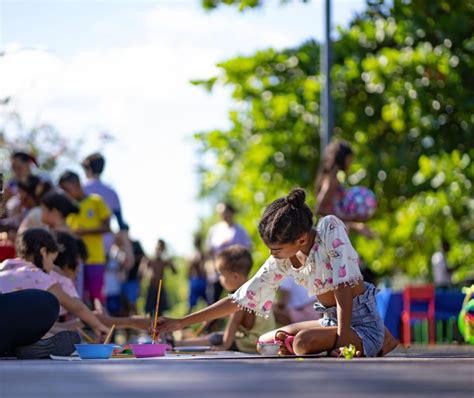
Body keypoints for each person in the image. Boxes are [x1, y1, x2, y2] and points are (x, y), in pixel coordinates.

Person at [156, 188, 398, 357]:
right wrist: (180, 322)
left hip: (359, 322)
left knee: (302, 343)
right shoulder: (283, 259)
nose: (273, 254)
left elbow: (344, 289)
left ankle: (376, 340)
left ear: (301, 238)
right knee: (265, 343)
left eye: (276, 249)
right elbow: (239, 299)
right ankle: (318, 341)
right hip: (329, 320)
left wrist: (342, 345)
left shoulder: (329, 228)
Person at [0, 228, 109, 339]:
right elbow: (76, 307)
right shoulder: (39, 276)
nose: (53, 267)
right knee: (64, 333)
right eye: (52, 260)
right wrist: (98, 325)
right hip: (10, 328)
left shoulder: (7, 264)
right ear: (43, 252)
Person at [176, 245, 276, 353]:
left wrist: (224, 346)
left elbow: (234, 323)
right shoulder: (254, 289)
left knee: (216, 338)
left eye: (221, 274)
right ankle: (179, 343)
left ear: (235, 277)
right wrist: (213, 317)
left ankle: (177, 344)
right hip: (262, 339)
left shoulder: (243, 297)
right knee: (217, 336)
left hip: (253, 343)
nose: (219, 279)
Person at [81, 153, 134, 314]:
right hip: (103, 252)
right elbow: (121, 224)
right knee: (99, 296)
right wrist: (128, 251)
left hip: (80, 251)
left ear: (87, 168)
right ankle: (101, 331)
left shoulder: (81, 190)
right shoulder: (111, 192)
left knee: (81, 295)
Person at [59, 171, 111, 304]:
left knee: (97, 298)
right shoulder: (67, 207)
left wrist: (85, 231)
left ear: (76, 183)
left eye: (66, 189)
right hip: (75, 262)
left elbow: (107, 227)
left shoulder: (96, 201)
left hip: (95, 258)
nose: (66, 193)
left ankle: (103, 324)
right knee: (78, 298)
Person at [314, 140, 374, 238]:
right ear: (342, 158)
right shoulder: (332, 180)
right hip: (329, 236)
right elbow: (319, 209)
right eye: (349, 159)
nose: (350, 163)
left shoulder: (335, 178)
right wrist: (354, 224)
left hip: (334, 234)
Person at [0, 289, 81, 359]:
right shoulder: (39, 275)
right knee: (45, 301)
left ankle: (12, 348)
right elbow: (78, 307)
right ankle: (16, 348)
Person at [206, 203, 251, 303]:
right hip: (217, 271)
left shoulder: (240, 230)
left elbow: (246, 249)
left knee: (238, 299)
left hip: (236, 271)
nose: (224, 215)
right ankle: (213, 319)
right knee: (213, 299)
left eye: (226, 212)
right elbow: (209, 250)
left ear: (232, 212)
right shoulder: (214, 230)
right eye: (221, 213)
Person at [142, 239, 177, 316]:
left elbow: (174, 271)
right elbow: (143, 271)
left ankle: (159, 327)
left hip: (161, 287)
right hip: (152, 287)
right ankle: (149, 326)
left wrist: (169, 258)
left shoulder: (164, 260)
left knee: (160, 311)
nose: (159, 250)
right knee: (150, 310)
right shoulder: (150, 258)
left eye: (161, 248)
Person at [187, 235, 209, 313]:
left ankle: (210, 323)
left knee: (208, 303)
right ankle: (184, 324)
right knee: (192, 305)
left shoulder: (193, 255)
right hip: (198, 280)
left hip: (198, 280)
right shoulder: (198, 255)